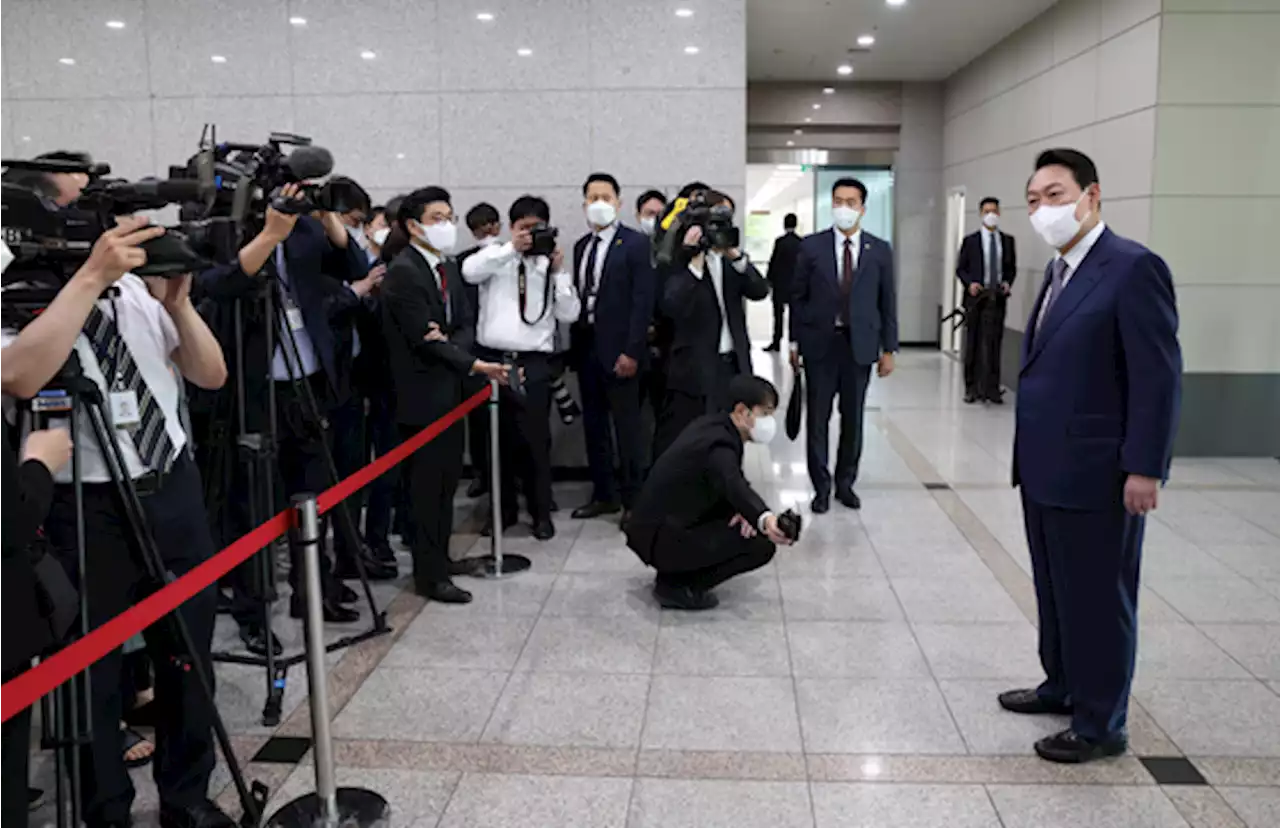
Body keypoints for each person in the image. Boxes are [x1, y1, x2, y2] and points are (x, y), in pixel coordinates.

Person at [0, 216, 235, 828]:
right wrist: (87, 279)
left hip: (170, 487)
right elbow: (18, 376)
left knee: (188, 656)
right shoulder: (21, 291)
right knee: (92, 672)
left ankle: (186, 798)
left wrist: (179, 307)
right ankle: (108, 812)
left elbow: (211, 374)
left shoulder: (135, 289)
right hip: (85, 504)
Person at [1000, 149, 1181, 764]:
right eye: (1033, 200)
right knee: (1055, 589)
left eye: (1054, 195)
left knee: (1100, 599)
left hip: (1100, 473)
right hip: (1047, 467)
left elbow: (1158, 379)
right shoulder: (1058, 271)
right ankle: (1064, 685)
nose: (1042, 209)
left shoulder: (1132, 268)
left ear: (1091, 196)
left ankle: (1102, 725)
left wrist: (1145, 466)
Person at [197, 183, 373, 629]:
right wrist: (269, 235)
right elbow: (218, 284)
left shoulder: (306, 232)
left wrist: (327, 212)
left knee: (314, 497)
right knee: (253, 508)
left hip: (308, 384)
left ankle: (313, 592)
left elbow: (353, 264)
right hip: (253, 391)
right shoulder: (228, 231)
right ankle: (253, 613)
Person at [382, 187, 508, 602]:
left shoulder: (447, 267)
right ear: (413, 225)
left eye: (449, 216)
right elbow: (423, 337)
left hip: (451, 393)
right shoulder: (404, 271)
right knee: (425, 489)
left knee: (445, 486)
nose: (447, 225)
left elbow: (464, 324)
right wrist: (470, 361)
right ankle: (428, 574)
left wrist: (452, 340)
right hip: (420, 397)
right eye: (437, 217)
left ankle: (441, 558)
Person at [462, 195, 580, 541]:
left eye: (537, 229)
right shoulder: (495, 257)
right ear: (510, 228)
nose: (530, 236)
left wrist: (558, 273)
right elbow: (469, 273)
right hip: (494, 360)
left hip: (534, 362)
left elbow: (569, 314)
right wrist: (511, 249)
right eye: (523, 228)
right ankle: (503, 511)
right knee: (495, 443)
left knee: (536, 442)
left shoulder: (549, 266)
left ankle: (541, 512)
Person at [626, 375, 794, 610]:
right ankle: (678, 586)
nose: (769, 422)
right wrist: (765, 519)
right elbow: (732, 482)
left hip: (658, 526)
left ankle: (675, 573)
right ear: (742, 411)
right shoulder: (721, 445)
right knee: (760, 546)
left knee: (742, 524)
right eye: (764, 413)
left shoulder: (713, 426)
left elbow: (720, 483)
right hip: (661, 536)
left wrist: (740, 510)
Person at [789, 177, 898, 514]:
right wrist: (794, 341)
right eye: (838, 201)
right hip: (820, 345)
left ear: (863, 209)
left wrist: (889, 348)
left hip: (860, 347)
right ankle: (820, 487)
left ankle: (845, 483)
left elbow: (887, 301)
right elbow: (797, 296)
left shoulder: (879, 250)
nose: (844, 208)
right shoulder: (811, 247)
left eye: (851, 202)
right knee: (817, 419)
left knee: (853, 419)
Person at [653, 190, 769, 460]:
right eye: (714, 220)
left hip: (733, 366)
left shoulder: (732, 260)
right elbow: (671, 305)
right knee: (697, 440)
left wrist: (737, 256)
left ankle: (728, 491)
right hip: (695, 369)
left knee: (732, 436)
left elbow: (760, 290)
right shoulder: (677, 258)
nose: (720, 227)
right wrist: (694, 261)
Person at [569, 173, 655, 526]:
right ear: (584, 204)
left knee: (628, 429)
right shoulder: (580, 246)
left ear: (619, 203)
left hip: (622, 352)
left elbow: (642, 302)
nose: (599, 203)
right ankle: (603, 495)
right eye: (593, 197)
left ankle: (634, 500)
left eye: (606, 197)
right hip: (587, 348)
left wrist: (633, 351)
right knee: (594, 426)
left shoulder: (635, 244)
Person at [458, 202, 503, 500]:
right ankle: (481, 474)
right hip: (473, 348)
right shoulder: (463, 262)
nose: (487, 232)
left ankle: (506, 478)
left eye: (489, 225)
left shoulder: (509, 256)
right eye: (480, 227)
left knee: (507, 422)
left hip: (500, 346)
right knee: (476, 420)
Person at [956, 196, 1016, 404]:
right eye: (987, 211)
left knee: (994, 343)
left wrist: (1008, 282)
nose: (991, 215)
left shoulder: (1007, 241)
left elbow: (1010, 269)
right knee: (973, 342)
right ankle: (971, 387)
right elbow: (960, 269)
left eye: (995, 211)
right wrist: (969, 283)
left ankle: (991, 387)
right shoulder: (970, 241)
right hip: (975, 299)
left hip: (996, 298)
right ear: (981, 214)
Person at [764, 213, 802, 352]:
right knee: (795, 316)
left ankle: (776, 342)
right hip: (796, 285)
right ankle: (794, 342)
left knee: (778, 315)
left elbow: (774, 262)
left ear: (784, 224)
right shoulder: (801, 242)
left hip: (780, 284)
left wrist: (768, 280)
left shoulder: (780, 242)